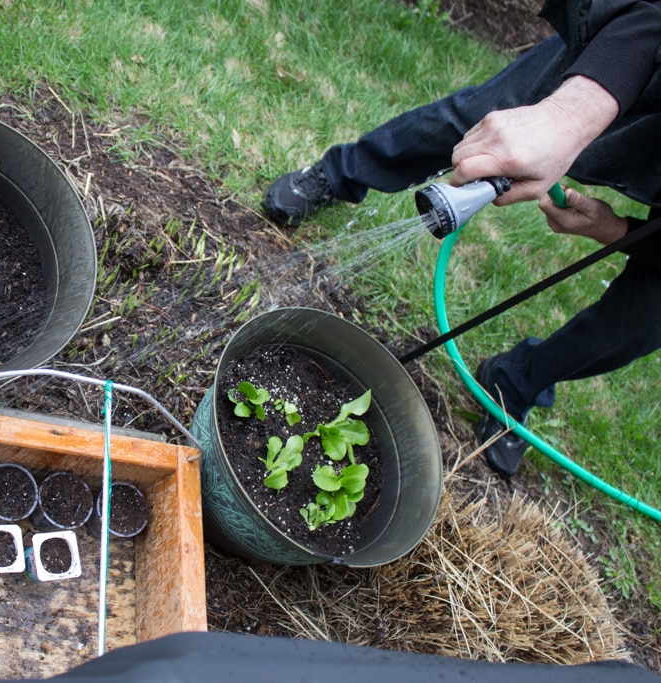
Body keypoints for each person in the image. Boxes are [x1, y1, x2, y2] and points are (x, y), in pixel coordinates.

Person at [261, 0, 661, 477]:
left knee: (646, 319)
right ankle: (337, 173)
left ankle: (514, 384)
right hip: (631, 68)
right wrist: (572, 112)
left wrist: (614, 231)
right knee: (474, 125)